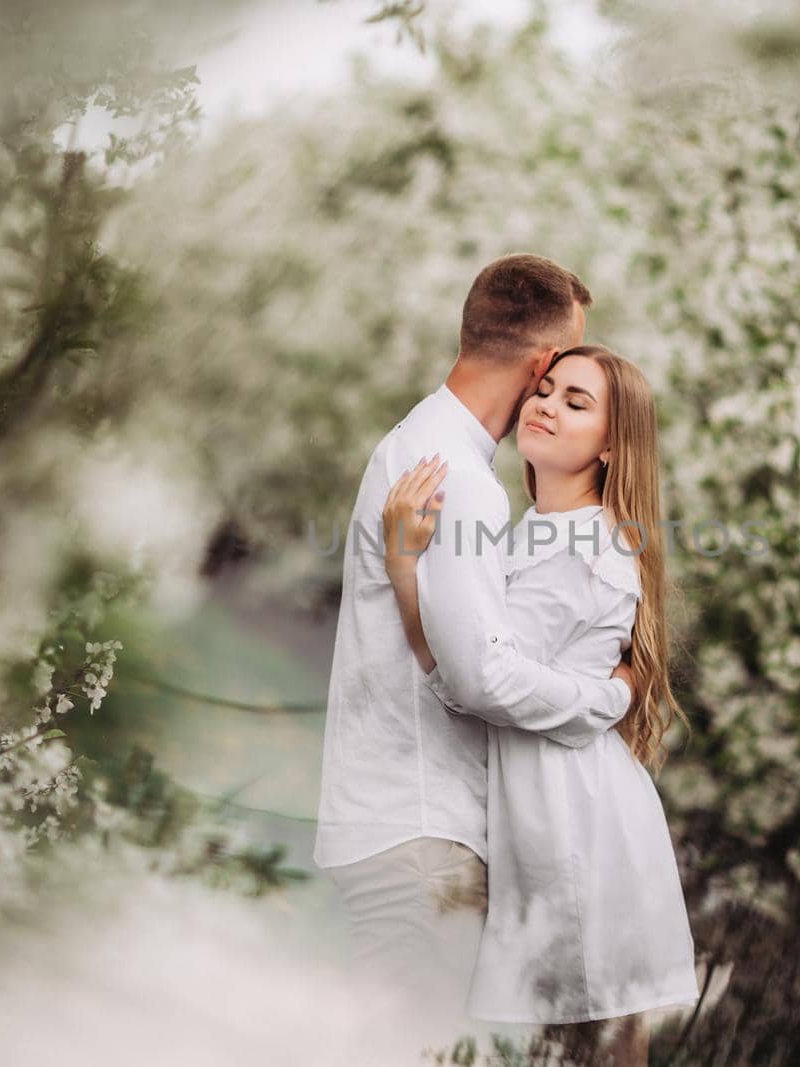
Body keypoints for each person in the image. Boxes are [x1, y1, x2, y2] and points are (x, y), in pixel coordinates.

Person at [312, 255, 637, 1047]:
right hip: (421, 831)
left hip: (399, 818)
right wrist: (614, 695)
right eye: (560, 368)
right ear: (540, 365)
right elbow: (481, 674)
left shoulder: (425, 443)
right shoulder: (454, 474)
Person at [381, 344, 700, 1065]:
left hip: (577, 823)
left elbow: (484, 681)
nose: (546, 404)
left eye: (575, 401)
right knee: (588, 1044)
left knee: (598, 1044)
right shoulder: (538, 529)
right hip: (555, 813)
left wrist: (405, 568)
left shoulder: (584, 546)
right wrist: (608, 693)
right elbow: (482, 671)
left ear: (614, 447)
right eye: (546, 389)